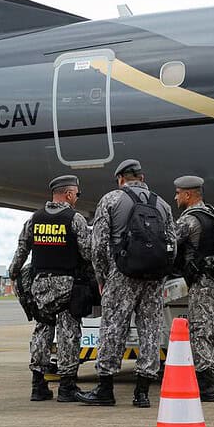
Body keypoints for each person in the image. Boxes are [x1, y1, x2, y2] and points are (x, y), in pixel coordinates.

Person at [77, 159, 175, 407]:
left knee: (112, 329)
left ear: (121, 178)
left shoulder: (111, 200)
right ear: (142, 177)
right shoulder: (161, 204)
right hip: (152, 279)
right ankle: (142, 392)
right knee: (151, 331)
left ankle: (106, 389)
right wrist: (160, 275)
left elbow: (97, 245)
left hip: (121, 276)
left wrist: (102, 278)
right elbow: (172, 246)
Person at [8, 175, 92, 402]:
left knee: (42, 331)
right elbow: (87, 252)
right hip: (66, 284)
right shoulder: (75, 219)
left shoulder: (34, 219)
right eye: (76, 193)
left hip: (40, 285)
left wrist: (14, 273)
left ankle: (38, 385)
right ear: (68, 194)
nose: (76, 197)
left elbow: (21, 252)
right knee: (68, 333)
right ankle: (67, 387)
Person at [173, 175, 214, 402]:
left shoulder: (189, 221)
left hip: (203, 285)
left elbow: (169, 244)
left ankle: (205, 387)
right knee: (213, 332)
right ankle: (211, 377)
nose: (176, 197)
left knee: (199, 332)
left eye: (178, 193)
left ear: (188, 195)